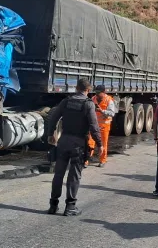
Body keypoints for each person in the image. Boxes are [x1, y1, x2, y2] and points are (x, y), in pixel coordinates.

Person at [45, 79, 102, 216]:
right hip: (79, 143)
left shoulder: (66, 101)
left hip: (64, 140)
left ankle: (53, 206)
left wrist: (50, 134)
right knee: (74, 175)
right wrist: (100, 144)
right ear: (88, 91)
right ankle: (70, 207)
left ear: (76, 88)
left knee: (58, 174)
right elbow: (94, 127)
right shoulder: (88, 104)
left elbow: (53, 117)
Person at [86, 84, 116, 168]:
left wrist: (102, 111)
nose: (97, 94)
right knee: (90, 142)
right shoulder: (93, 99)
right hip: (94, 125)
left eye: (99, 93)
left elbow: (112, 113)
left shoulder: (109, 100)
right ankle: (86, 160)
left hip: (104, 126)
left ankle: (102, 160)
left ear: (104, 92)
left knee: (103, 144)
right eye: (96, 92)